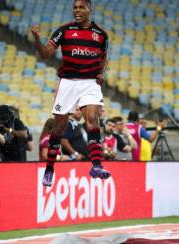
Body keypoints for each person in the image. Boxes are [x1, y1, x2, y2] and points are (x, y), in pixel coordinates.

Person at [31, 0, 110, 186]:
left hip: (90, 83)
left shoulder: (101, 35)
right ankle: (49, 168)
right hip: (67, 83)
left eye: (81, 7)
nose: (77, 10)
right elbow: (45, 54)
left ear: (89, 9)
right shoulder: (63, 31)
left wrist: (101, 73)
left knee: (92, 118)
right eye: (75, 7)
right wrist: (36, 38)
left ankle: (97, 165)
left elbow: (104, 57)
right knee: (58, 128)